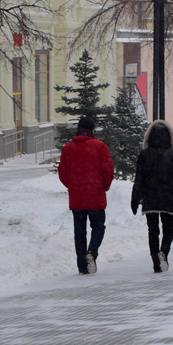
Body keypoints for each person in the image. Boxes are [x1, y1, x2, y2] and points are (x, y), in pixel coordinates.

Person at [130, 119, 173, 273]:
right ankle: (163, 252)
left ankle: (156, 263)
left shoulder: (144, 155)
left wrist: (135, 199)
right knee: (168, 229)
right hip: (168, 197)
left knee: (153, 231)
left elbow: (139, 179)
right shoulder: (172, 156)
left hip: (150, 198)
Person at [57, 116, 114, 275]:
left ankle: (82, 266)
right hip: (95, 194)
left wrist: (72, 185)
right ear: (92, 130)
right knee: (98, 227)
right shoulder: (100, 146)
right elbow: (108, 169)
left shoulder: (68, 148)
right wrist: (104, 186)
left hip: (77, 197)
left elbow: (62, 171)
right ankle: (92, 251)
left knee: (79, 232)